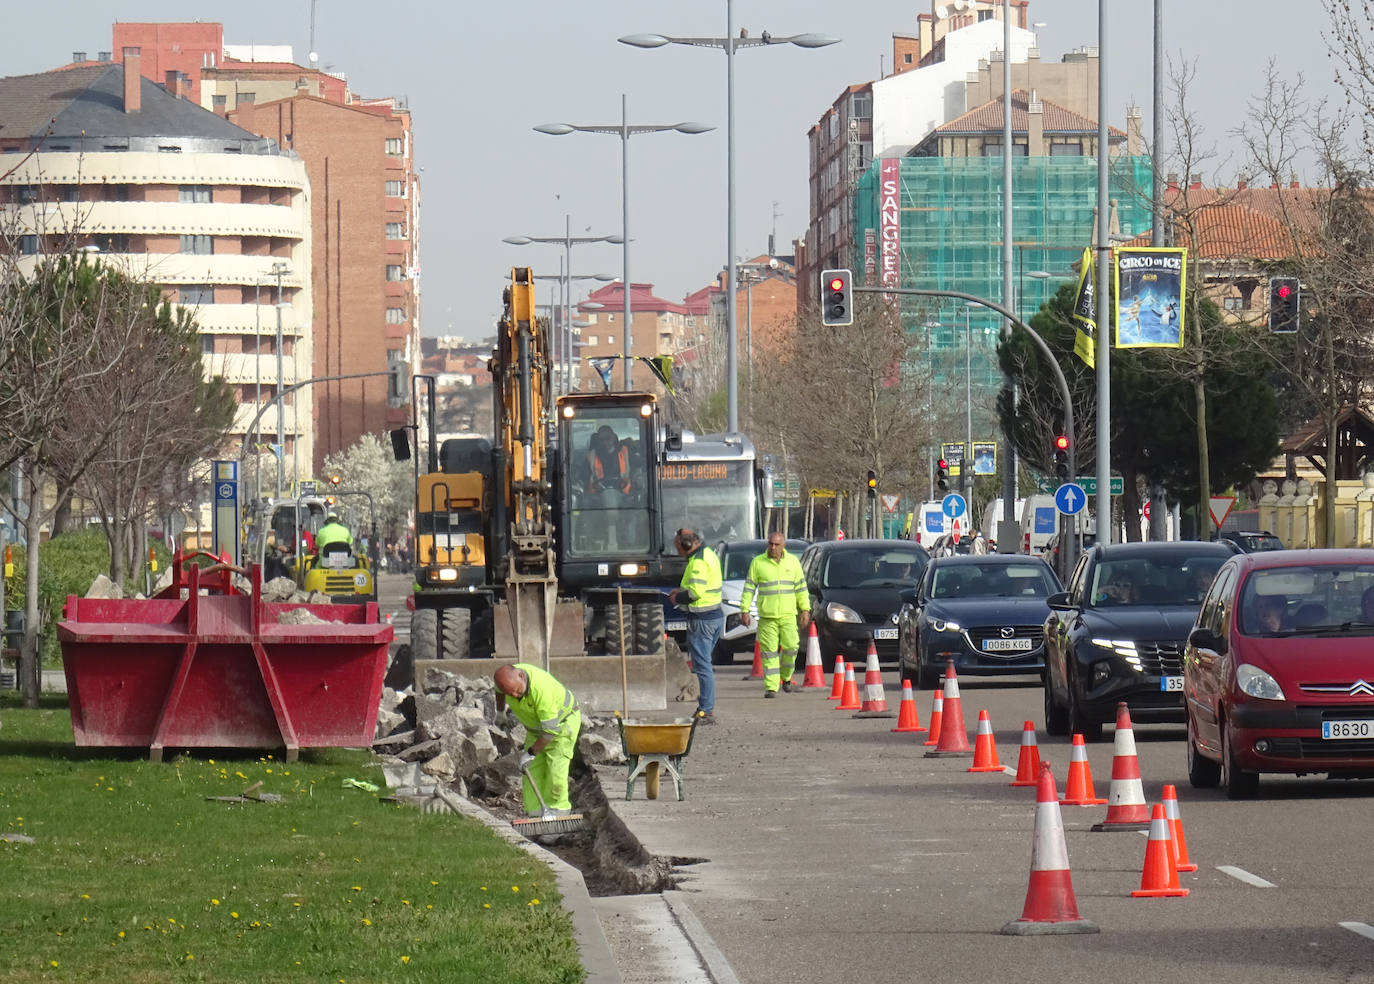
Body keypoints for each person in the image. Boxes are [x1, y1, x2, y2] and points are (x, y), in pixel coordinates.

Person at [493, 663, 582, 815]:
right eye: (510, 693)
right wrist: (500, 712)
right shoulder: (508, 680)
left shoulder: (540, 690)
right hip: (537, 730)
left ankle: (558, 819)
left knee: (555, 773)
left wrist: (531, 753)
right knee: (531, 772)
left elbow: (550, 731)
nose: (514, 695)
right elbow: (499, 691)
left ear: (521, 676)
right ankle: (536, 816)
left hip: (561, 727)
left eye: (516, 691)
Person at [738, 532, 810, 697]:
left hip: (788, 615)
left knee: (791, 647)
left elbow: (801, 588)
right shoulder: (758, 563)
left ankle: (786, 677)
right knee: (769, 651)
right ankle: (771, 687)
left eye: (777, 544)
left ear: (783, 545)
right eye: (770, 544)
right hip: (767, 616)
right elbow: (749, 588)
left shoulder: (792, 562)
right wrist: (745, 610)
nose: (773, 547)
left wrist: (805, 609)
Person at [669, 528, 724, 724]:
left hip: (702, 619)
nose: (677, 552)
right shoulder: (709, 554)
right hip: (714, 616)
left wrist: (677, 597)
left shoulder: (698, 563)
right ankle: (705, 707)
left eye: (677, 547)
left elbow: (696, 593)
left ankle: (706, 711)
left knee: (703, 667)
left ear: (686, 545)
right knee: (705, 665)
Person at [585, 426, 632, 500]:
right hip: (597, 497)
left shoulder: (625, 452)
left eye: (608, 438)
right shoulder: (591, 455)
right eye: (602, 439)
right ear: (598, 441)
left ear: (613, 437)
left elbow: (641, 466)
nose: (605, 442)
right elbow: (582, 476)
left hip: (624, 495)